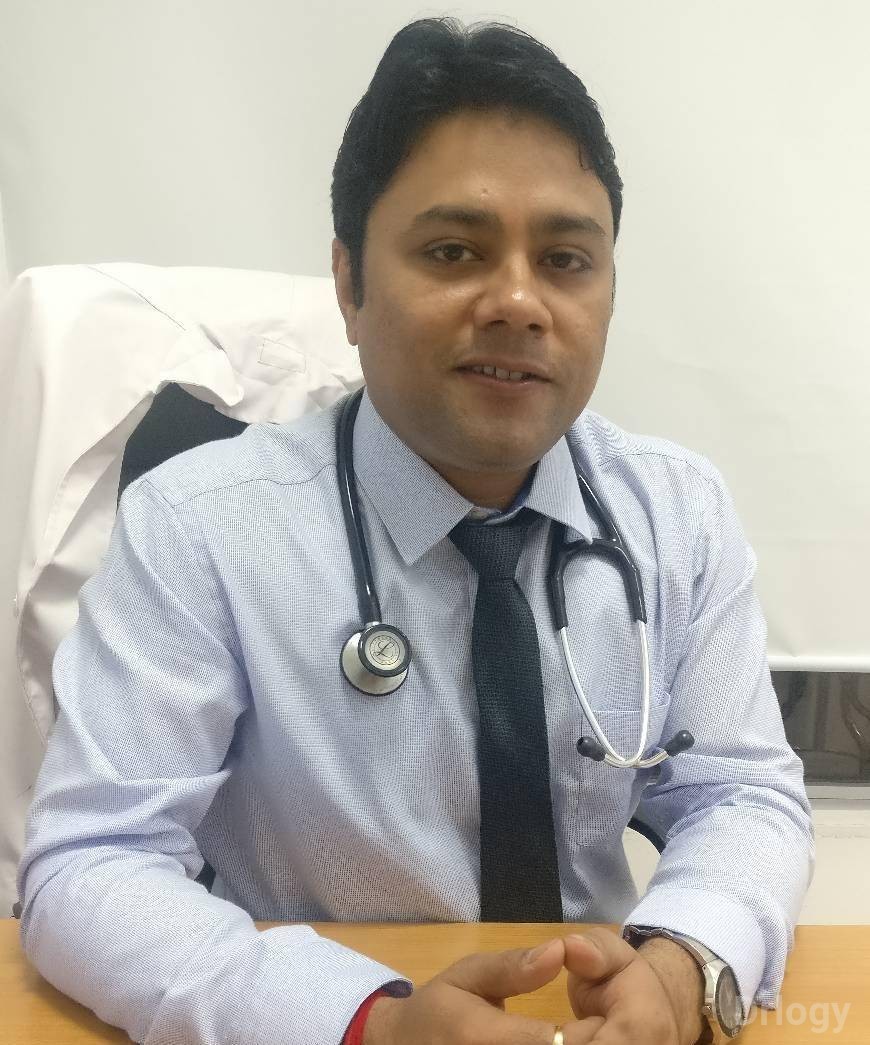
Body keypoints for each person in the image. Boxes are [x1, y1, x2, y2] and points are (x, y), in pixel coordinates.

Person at [16, 15, 813, 1045]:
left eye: (566, 259)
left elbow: (743, 795)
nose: (520, 301)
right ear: (349, 284)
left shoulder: (677, 515)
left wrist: (683, 963)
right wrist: (366, 1024)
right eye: (454, 250)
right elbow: (91, 862)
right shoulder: (198, 529)